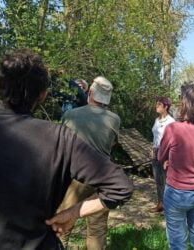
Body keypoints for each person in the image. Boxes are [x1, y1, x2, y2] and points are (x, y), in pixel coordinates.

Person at [0, 49, 133, 249]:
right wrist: (72, 213)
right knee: (89, 229)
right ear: (43, 95)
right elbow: (121, 187)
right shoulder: (59, 139)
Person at [57, 76, 121, 249]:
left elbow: (61, 142)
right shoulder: (114, 119)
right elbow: (112, 143)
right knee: (97, 229)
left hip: (74, 177)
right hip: (103, 177)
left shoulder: (70, 115)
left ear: (90, 93)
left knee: (62, 225)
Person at [158, 85, 194, 250]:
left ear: (184, 104)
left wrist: (167, 161)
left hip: (177, 191)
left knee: (177, 243)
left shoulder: (174, 129)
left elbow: (160, 156)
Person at [151, 96, 175, 212]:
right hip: (155, 152)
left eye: (159, 104)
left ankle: (168, 205)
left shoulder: (171, 122)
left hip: (165, 153)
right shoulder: (157, 120)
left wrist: (169, 157)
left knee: (166, 179)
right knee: (157, 179)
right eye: (156, 103)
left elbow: (173, 140)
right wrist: (152, 149)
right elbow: (155, 136)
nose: (156, 106)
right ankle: (160, 203)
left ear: (166, 107)